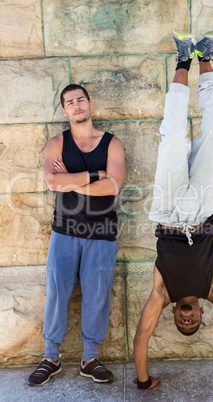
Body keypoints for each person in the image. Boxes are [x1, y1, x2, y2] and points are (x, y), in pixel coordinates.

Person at [133, 29, 213, 390]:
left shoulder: (163, 293)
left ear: (175, 314)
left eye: (182, 324)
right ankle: (206, 54)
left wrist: (144, 382)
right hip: (203, 209)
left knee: (173, 138)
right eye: (193, 323)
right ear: (202, 313)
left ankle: (184, 58)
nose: (187, 320)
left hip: (169, 212)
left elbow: (142, 336)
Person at [28, 84, 125, 386]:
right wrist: (94, 176)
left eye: (80, 100)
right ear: (64, 110)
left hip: (101, 232)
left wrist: (70, 180)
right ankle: (50, 357)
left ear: (89, 103)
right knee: (57, 293)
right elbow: (52, 182)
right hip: (65, 232)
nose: (76, 105)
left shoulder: (112, 144)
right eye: (70, 102)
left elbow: (113, 187)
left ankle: (90, 358)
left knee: (97, 296)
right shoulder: (57, 142)